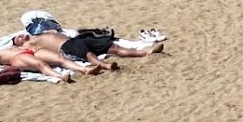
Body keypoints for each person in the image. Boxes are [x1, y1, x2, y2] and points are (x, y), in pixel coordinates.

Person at [26, 29, 163, 71]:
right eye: (17, 38)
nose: (20, 36)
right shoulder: (30, 43)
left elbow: (70, 33)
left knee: (113, 47)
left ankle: (146, 52)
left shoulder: (44, 33)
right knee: (88, 54)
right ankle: (105, 65)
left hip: (75, 40)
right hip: (66, 47)